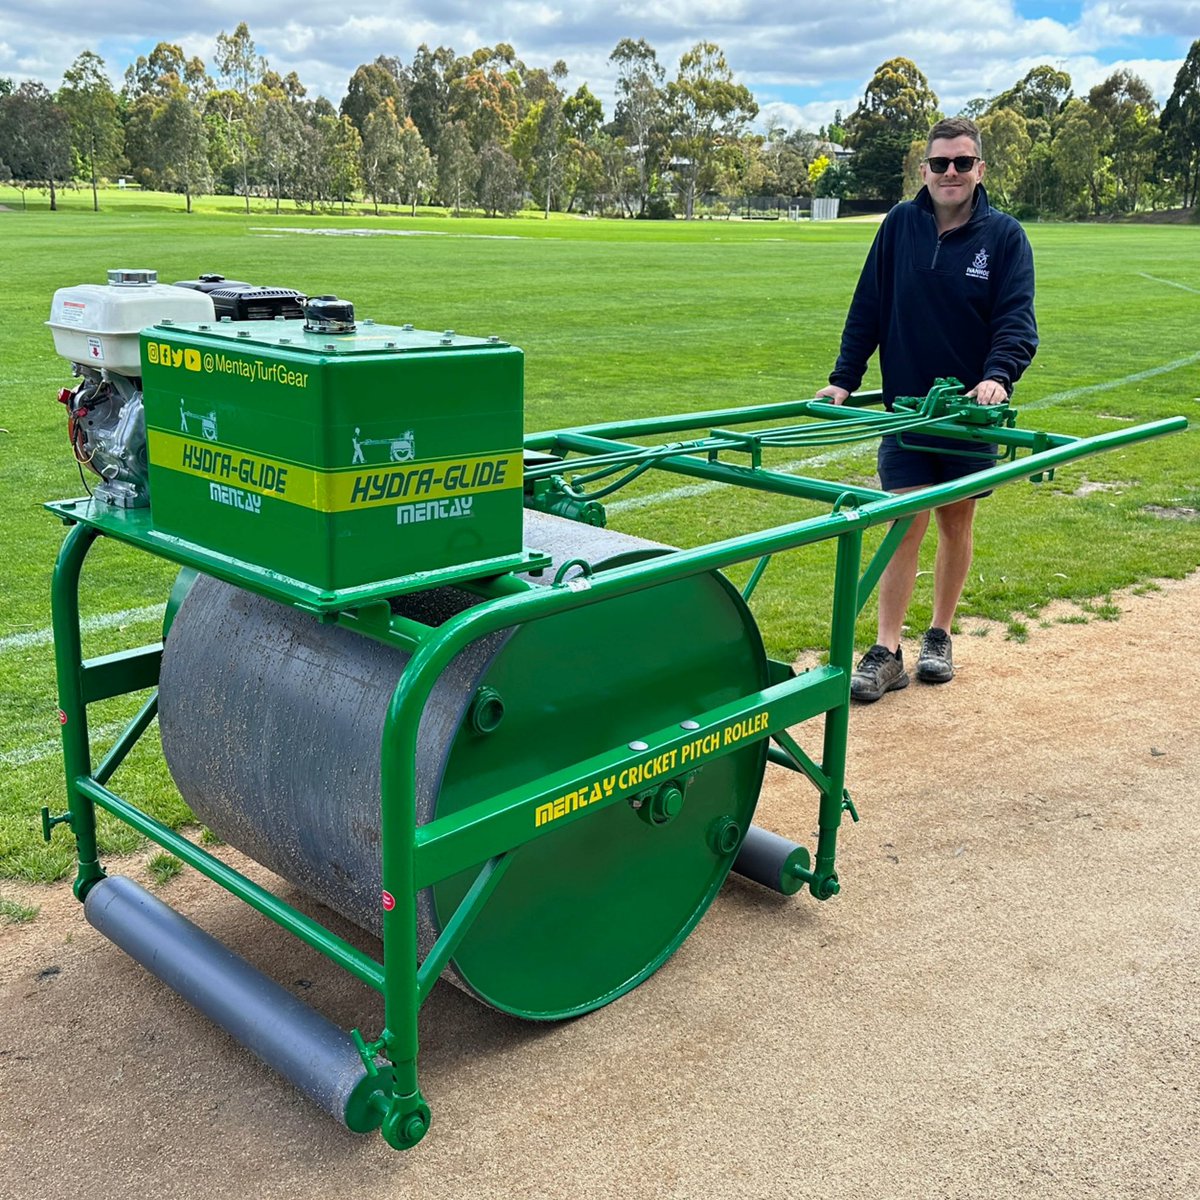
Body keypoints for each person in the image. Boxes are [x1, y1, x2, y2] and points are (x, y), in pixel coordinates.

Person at [816, 116, 1038, 703]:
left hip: (966, 413)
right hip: (907, 412)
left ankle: (938, 635)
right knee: (901, 521)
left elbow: (1016, 320)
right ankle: (888, 650)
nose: (951, 173)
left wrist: (997, 377)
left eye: (962, 163)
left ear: (979, 170)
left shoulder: (1005, 237)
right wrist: (843, 379)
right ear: (925, 170)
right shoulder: (898, 225)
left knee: (955, 518)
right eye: (940, 163)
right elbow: (868, 304)